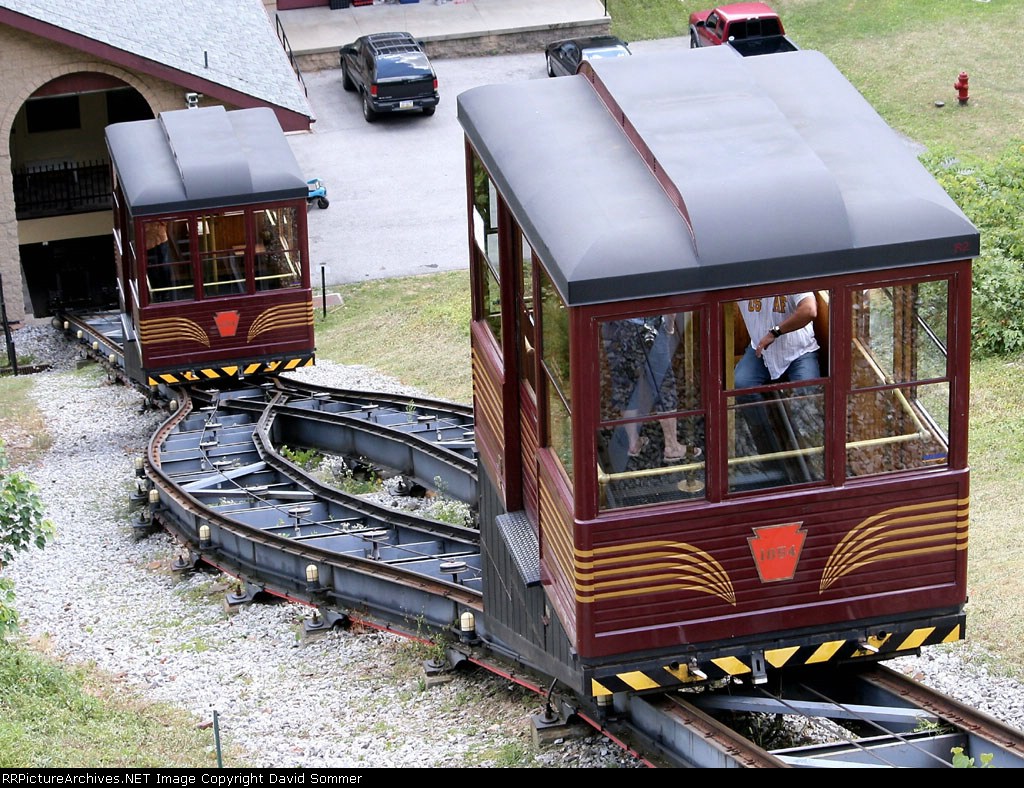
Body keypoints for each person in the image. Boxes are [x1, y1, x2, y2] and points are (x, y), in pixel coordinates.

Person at [602, 315, 693, 467]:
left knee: (625, 384)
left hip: (616, 326)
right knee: (663, 385)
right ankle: (672, 446)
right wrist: (669, 326)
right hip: (648, 327)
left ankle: (633, 442)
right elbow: (666, 304)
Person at [734, 293, 819, 391]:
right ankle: (770, 401)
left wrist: (774, 332)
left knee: (807, 389)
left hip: (799, 351)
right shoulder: (741, 283)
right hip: (761, 351)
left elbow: (809, 309)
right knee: (741, 386)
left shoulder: (792, 282)